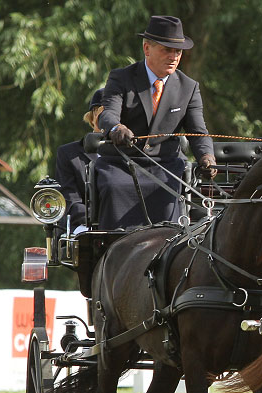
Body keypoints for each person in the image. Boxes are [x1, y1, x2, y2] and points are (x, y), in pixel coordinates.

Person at [95, 15, 216, 229]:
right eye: (166, 50)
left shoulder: (189, 87)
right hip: (122, 164)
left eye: (177, 51)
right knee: (114, 186)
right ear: (146, 48)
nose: (173, 57)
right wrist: (117, 128)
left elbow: (198, 132)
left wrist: (207, 156)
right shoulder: (121, 78)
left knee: (171, 193)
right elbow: (108, 115)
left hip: (165, 168)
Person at [54, 89, 104, 234]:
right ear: (93, 116)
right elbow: (71, 202)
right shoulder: (70, 154)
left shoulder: (135, 152)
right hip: (86, 226)